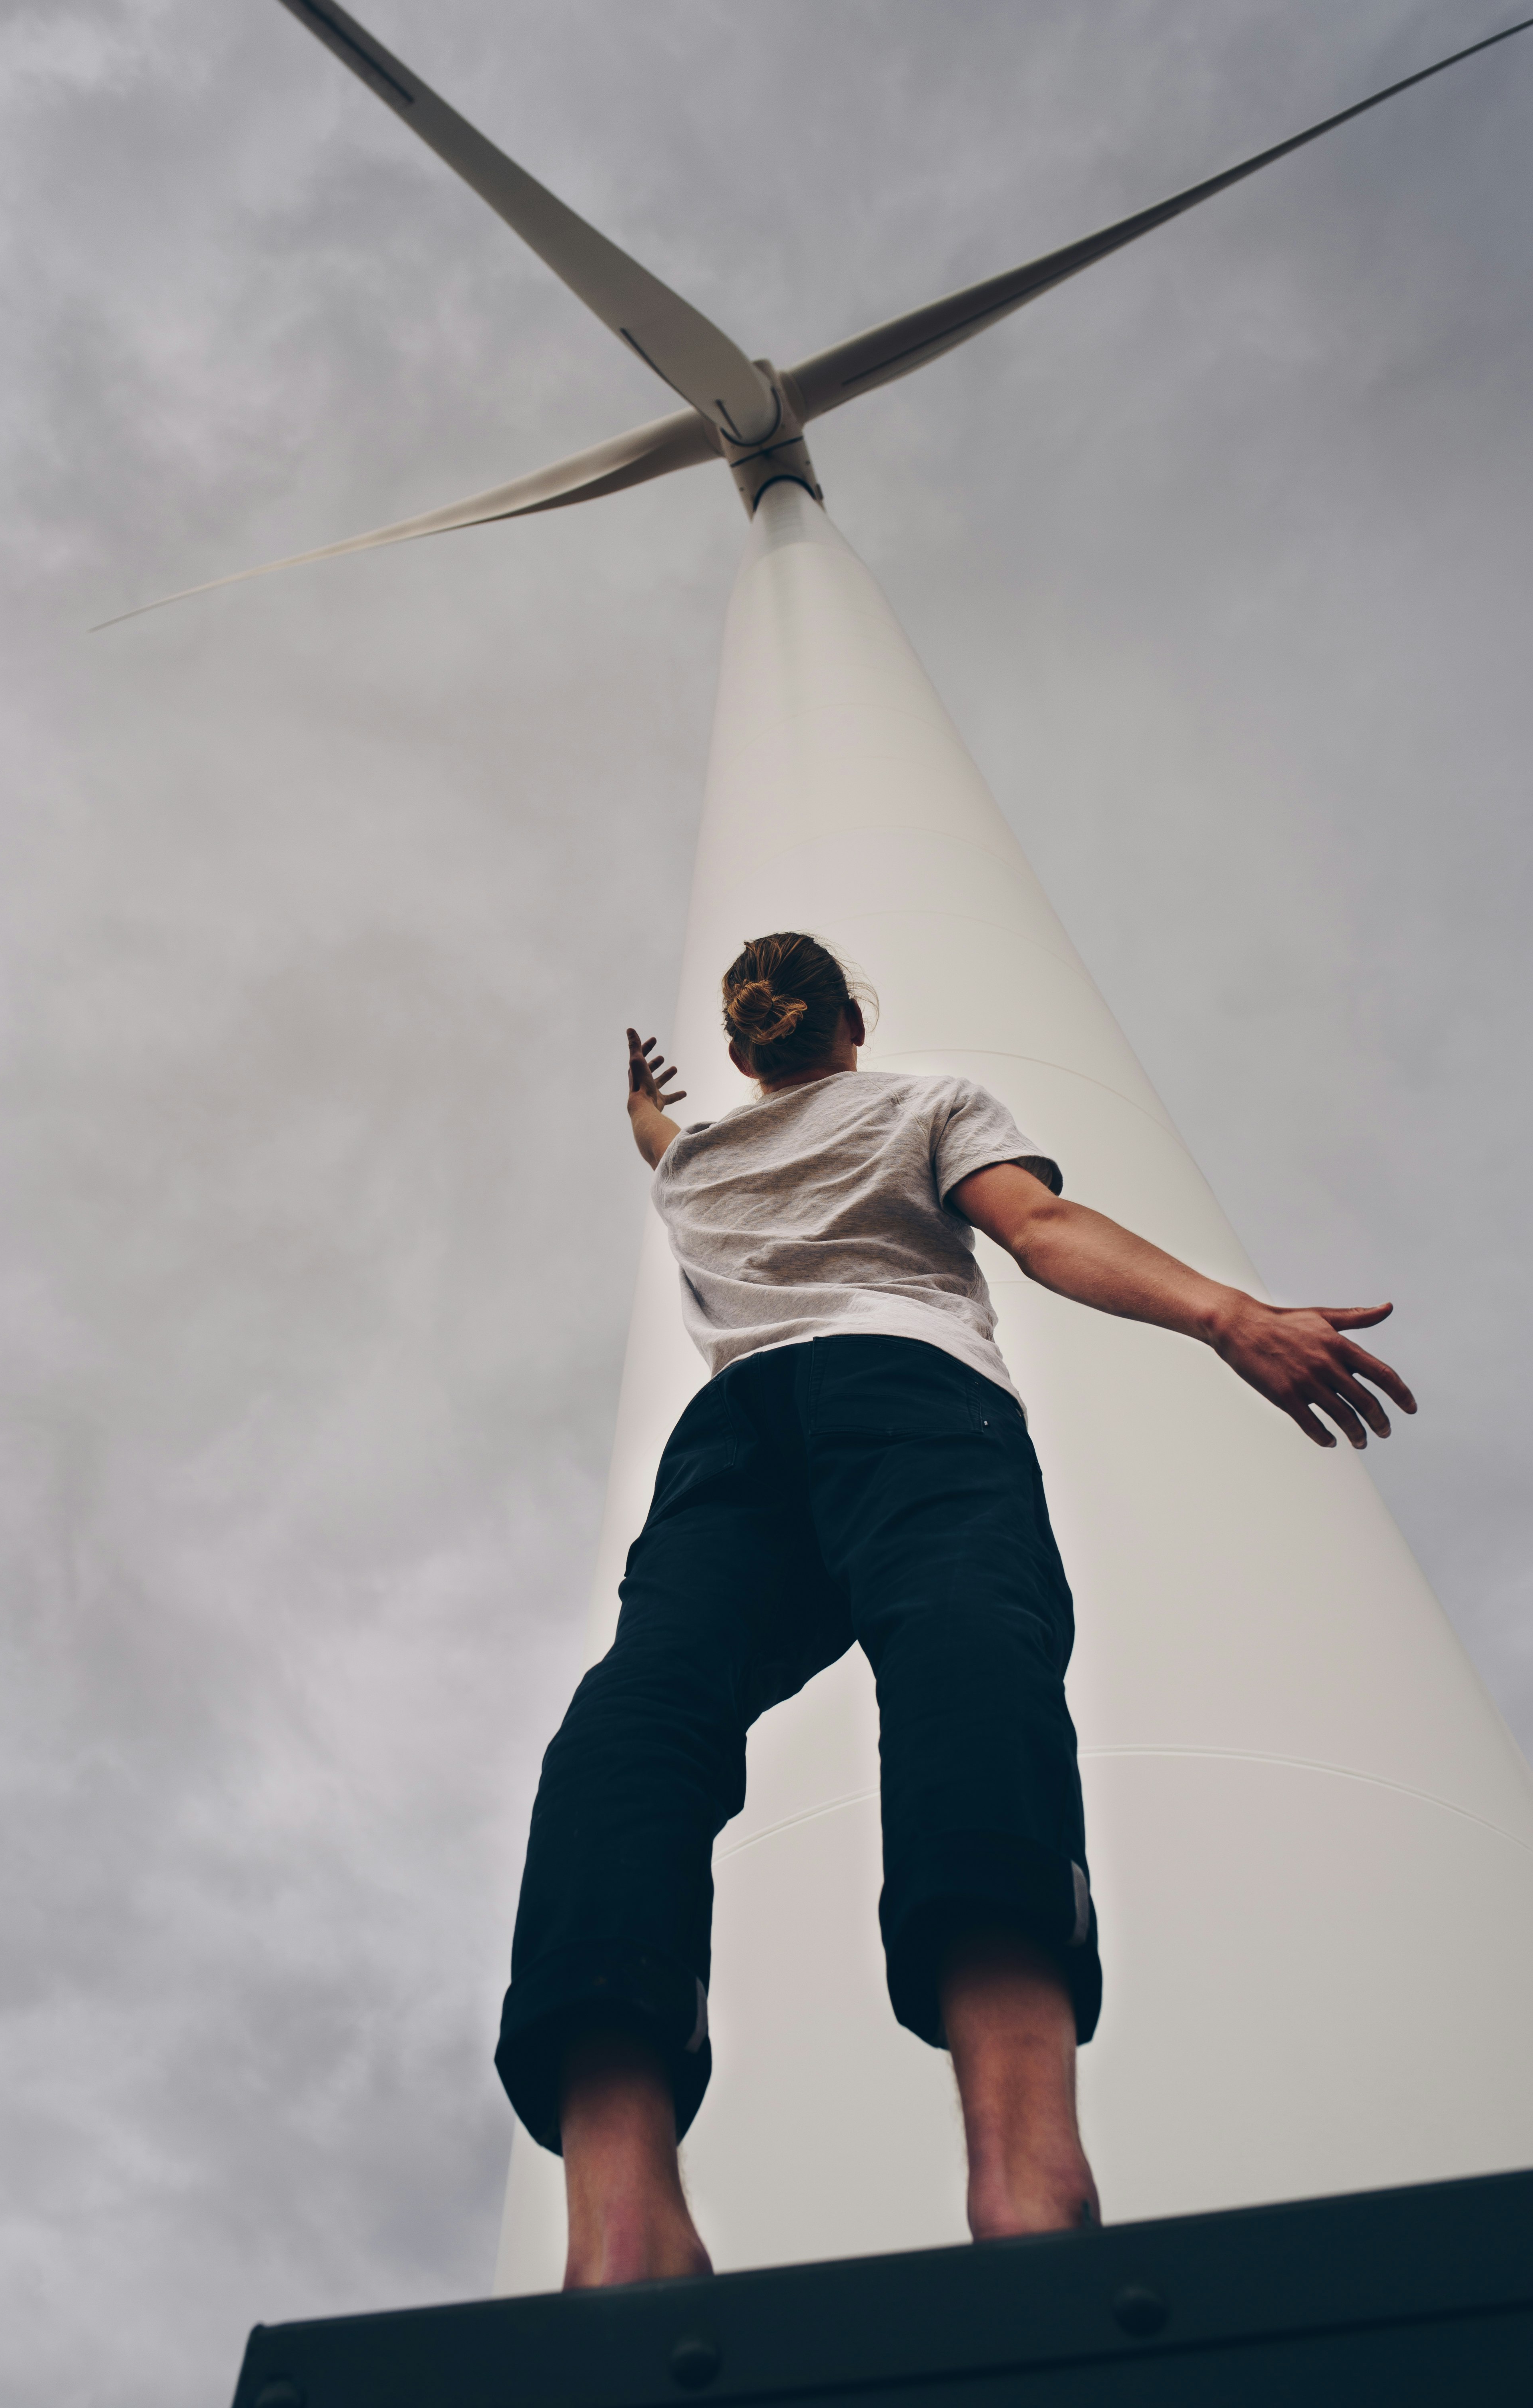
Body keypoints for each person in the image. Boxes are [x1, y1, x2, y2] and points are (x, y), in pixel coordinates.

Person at [495, 931, 1415, 2290]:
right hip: (905, 1397)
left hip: (732, 1441)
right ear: (848, 1028)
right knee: (966, 1664)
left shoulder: (694, 1162)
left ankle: (620, 2221)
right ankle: (1026, 2170)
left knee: (640, 1718)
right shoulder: (924, 1104)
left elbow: (656, 1138)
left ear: (746, 1050)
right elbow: (1040, 1233)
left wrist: (651, 1102)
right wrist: (1229, 1316)